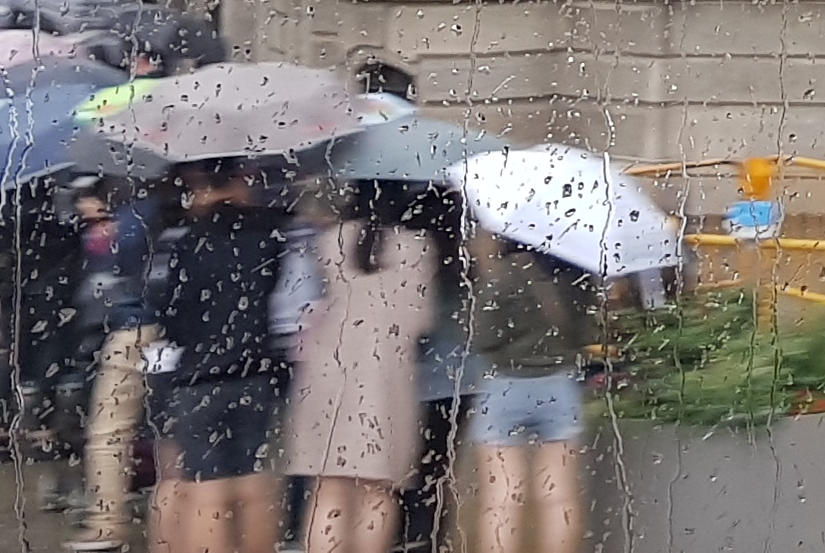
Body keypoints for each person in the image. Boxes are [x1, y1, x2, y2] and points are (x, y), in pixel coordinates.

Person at [147, 160, 290, 553]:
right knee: (253, 485)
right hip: (255, 370)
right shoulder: (267, 235)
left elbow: (170, 315)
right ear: (239, 179)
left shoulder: (185, 241)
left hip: (197, 377)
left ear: (198, 184)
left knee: (205, 489)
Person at [286, 185, 437, 553]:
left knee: (328, 488)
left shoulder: (331, 240)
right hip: (387, 376)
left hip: (328, 371)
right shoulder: (417, 246)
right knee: (377, 491)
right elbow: (421, 321)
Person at [452, 231, 592, 553]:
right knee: (559, 496)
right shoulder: (576, 275)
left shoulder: (502, 275)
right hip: (559, 385)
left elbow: (480, 337)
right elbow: (585, 333)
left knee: (501, 497)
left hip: (505, 385)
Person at [70, 178, 157, 553]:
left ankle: (105, 525)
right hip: (188, 328)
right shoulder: (169, 210)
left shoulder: (133, 218)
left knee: (110, 431)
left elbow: (112, 266)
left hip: (133, 327)